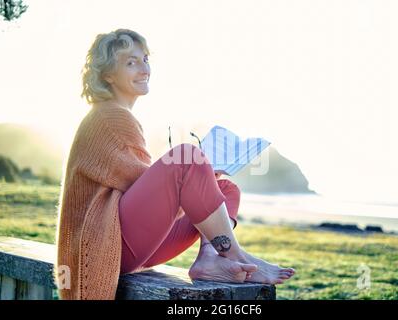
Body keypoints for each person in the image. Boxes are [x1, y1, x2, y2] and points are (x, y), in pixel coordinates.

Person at [56, 28, 295, 300]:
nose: (144, 68)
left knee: (225, 189)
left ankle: (210, 258)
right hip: (105, 244)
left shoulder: (116, 115)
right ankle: (237, 255)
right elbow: (141, 184)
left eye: (145, 59)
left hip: (127, 244)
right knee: (187, 157)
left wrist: (202, 183)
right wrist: (193, 175)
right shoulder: (109, 116)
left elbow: (144, 188)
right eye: (130, 62)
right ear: (108, 74)